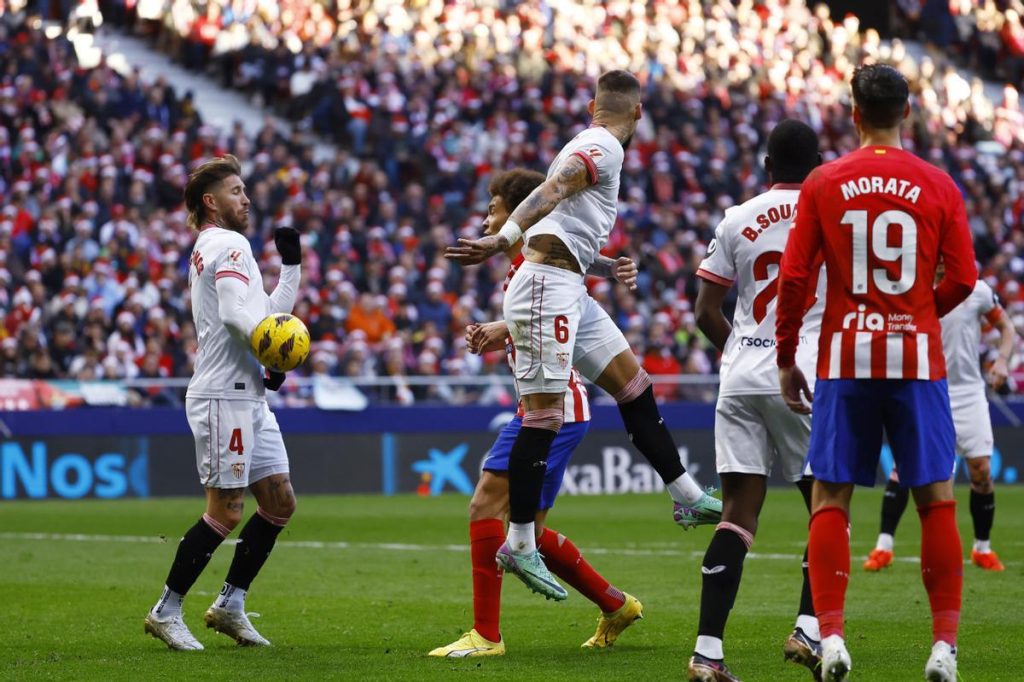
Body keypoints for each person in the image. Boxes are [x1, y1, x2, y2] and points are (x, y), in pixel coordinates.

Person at [446, 70, 721, 601]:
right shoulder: (602, 145)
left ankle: (684, 493)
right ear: (637, 113)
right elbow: (554, 189)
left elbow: (560, 229)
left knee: (633, 384)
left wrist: (603, 264)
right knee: (545, 416)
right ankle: (521, 542)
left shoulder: (594, 143)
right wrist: (501, 236)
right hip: (546, 287)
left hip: (567, 283)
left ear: (596, 103)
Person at [775, 64, 977, 682]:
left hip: (844, 359)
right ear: (907, 113)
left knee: (830, 497)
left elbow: (794, 278)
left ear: (854, 113)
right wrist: (918, 314)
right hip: (916, 360)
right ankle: (943, 648)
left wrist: (787, 356)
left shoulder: (823, 181)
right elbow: (964, 279)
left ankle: (830, 639)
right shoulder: (939, 183)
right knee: (936, 501)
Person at [429, 168, 643, 658]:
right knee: (533, 533)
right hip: (554, 407)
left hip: (555, 407)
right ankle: (617, 605)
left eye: (494, 208)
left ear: (522, 213)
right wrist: (502, 329)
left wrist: (502, 328)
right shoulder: (527, 266)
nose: (488, 217)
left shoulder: (538, 266)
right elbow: (573, 273)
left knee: (486, 503)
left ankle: (486, 636)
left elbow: (568, 289)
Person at [144, 155, 302, 650]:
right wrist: (266, 352)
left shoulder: (221, 248)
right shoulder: (229, 244)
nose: (247, 198)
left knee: (278, 502)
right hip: (223, 395)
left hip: (246, 395)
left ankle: (230, 604)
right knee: (227, 510)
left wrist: (291, 267)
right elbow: (239, 317)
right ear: (211, 202)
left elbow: (268, 315)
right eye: (236, 191)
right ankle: (166, 611)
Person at [687, 120, 825, 682]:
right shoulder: (831, 216)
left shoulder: (736, 218)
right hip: (807, 375)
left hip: (742, 373)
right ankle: (809, 629)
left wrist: (742, 353)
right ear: (817, 165)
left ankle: (707, 653)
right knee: (827, 503)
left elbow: (704, 310)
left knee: (738, 511)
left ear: (767, 167)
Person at [864, 268, 1015, 573]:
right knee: (905, 467)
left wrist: (1001, 360)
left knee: (982, 470)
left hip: (969, 392)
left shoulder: (977, 291)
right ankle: (884, 546)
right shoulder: (911, 288)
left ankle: (982, 548)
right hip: (928, 388)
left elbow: (1007, 328)